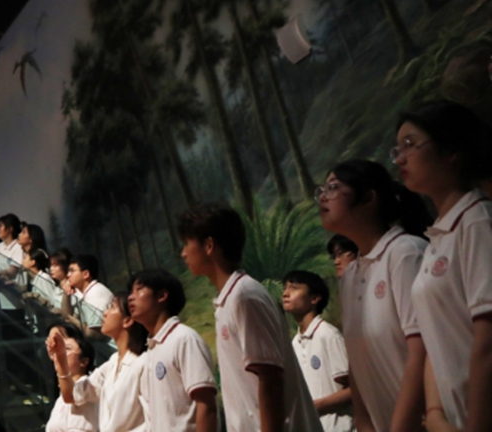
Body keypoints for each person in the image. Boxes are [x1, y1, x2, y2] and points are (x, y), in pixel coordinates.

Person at [179, 203, 322, 432]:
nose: (183, 253)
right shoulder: (230, 299)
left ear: (209, 245)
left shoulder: (244, 296)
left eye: (187, 244)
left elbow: (270, 379)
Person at [396, 101, 492, 432]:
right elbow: (436, 337)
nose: (399, 157)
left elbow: (487, 339)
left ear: (451, 150)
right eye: (397, 149)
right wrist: (435, 412)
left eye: (410, 145)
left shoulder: (477, 221)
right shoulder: (439, 235)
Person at [317, 160, 433, 432]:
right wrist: (365, 423)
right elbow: (358, 364)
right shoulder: (352, 274)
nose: (322, 196)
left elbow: (423, 351)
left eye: (333, 187)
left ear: (368, 198)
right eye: (322, 188)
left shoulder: (405, 253)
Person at [128, 268, 218, 432]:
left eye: (139, 289)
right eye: (131, 291)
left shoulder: (184, 339)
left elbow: (207, 407)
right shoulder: (152, 350)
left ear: (162, 296)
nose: (131, 297)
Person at [283, 270, 354, 432]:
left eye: (294, 288)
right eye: (285, 289)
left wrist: (316, 406)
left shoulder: (328, 335)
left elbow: (355, 390)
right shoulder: (294, 343)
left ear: (315, 298)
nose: (286, 294)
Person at [76, 292, 148, 432]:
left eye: (112, 307)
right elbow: (78, 393)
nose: (105, 313)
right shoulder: (113, 362)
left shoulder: (143, 363)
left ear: (127, 321)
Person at [45, 323, 99, 432]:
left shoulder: (86, 386)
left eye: (67, 349)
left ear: (83, 361)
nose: (59, 352)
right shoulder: (61, 397)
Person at [63, 253, 115, 330]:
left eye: (72, 271)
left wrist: (75, 322)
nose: (68, 275)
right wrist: (66, 293)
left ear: (86, 274)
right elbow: (67, 316)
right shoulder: (83, 292)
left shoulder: (95, 293)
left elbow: (94, 334)